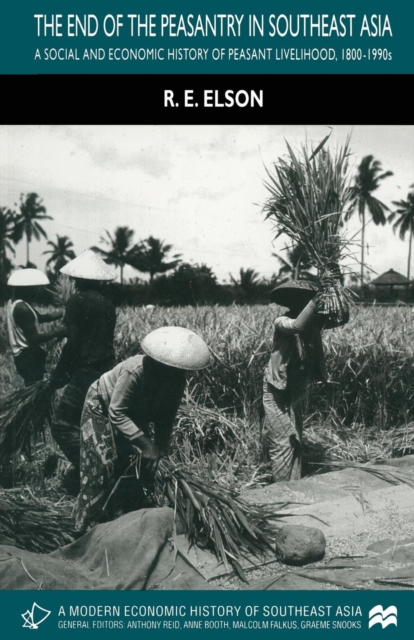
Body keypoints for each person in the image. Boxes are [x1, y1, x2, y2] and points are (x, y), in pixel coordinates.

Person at [73, 326, 211, 533]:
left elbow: (165, 419)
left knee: (134, 467)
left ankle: (119, 524)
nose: (178, 375)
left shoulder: (176, 382)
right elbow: (117, 412)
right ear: (159, 363)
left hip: (135, 413)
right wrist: (147, 445)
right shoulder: (135, 370)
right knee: (100, 468)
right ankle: (83, 529)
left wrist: (160, 451)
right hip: (102, 406)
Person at [261, 276, 340, 483]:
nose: (302, 303)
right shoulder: (281, 321)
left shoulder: (314, 323)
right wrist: (317, 298)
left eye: (306, 300)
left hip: (297, 386)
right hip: (276, 388)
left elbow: (341, 318)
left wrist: (336, 288)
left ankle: (294, 485)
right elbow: (296, 326)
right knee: (281, 441)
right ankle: (282, 491)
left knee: (295, 437)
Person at [49, 250, 117, 480]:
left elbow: (73, 344)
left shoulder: (77, 302)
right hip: (107, 372)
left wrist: (59, 374)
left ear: (79, 279)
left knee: (61, 425)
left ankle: (91, 468)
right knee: (94, 424)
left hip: (85, 372)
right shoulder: (108, 304)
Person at [6, 269, 66, 386]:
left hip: (22, 357)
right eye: (34, 288)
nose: (37, 292)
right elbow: (35, 338)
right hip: (27, 356)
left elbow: (42, 317)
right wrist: (59, 331)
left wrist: (64, 312)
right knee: (35, 388)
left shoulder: (14, 302)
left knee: (32, 388)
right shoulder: (23, 309)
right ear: (26, 289)